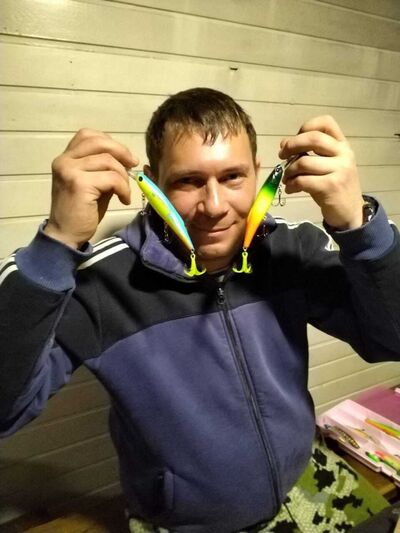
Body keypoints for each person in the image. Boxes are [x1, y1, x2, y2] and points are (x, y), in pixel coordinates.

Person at [0, 88, 399, 533]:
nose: (214, 206)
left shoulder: (290, 250)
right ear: (151, 183)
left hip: (303, 484)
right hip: (183, 522)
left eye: (233, 177)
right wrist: (56, 244)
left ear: (259, 174)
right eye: (188, 181)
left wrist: (359, 227)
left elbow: (392, 340)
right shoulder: (102, 283)